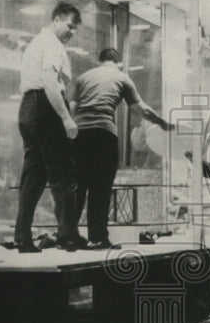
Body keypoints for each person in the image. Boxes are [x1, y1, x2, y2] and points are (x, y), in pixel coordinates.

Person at [70, 48, 173, 250]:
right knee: (100, 188)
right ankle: (97, 238)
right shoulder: (122, 77)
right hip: (103, 134)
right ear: (119, 63)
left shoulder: (81, 78)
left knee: (78, 187)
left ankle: (70, 237)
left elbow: (70, 106)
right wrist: (162, 123)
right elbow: (140, 109)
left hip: (79, 135)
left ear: (99, 62)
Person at [13, 2, 86, 253]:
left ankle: (22, 236)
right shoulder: (52, 45)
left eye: (75, 28)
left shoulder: (36, 43)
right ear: (56, 19)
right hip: (46, 108)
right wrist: (66, 117)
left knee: (33, 175)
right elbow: (49, 82)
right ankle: (68, 235)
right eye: (69, 25)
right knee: (63, 174)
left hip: (27, 109)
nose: (72, 32)